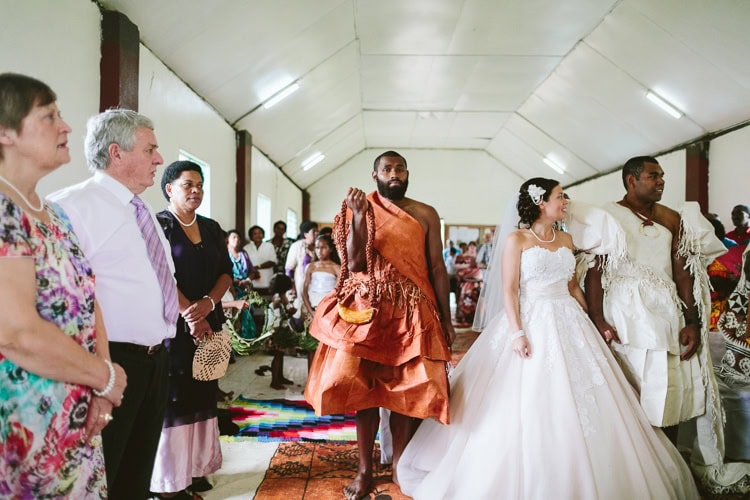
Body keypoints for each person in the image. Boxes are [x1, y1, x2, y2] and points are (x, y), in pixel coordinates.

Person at [397, 177, 699, 499]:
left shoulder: (567, 240)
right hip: (530, 318)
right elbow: (510, 290)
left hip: (568, 318)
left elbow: (572, 287)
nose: (566, 202)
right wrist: (517, 333)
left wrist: (594, 320)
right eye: (560, 196)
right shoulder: (517, 240)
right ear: (541, 202)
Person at [584, 156, 750, 494]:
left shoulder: (672, 218)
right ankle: (629, 467)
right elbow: (594, 272)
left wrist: (692, 319)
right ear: (631, 181)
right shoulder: (607, 216)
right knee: (629, 391)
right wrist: (598, 319)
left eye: (662, 176)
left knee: (669, 390)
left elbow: (683, 271)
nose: (661, 181)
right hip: (624, 314)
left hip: (665, 312)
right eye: (652, 176)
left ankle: (666, 466)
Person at [0, 73, 127, 497]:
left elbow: (89, 301)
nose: (66, 126)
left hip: (77, 416)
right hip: (22, 426)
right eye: (48, 116)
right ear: (5, 133)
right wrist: (105, 378)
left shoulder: (54, 214)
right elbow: (15, 333)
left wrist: (102, 388)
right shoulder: (3, 213)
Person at [305, 150, 454, 499]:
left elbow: (437, 267)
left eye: (400, 169)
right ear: (375, 176)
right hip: (368, 311)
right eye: (387, 169)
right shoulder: (359, 207)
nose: (395, 174)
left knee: (405, 392)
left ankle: (401, 465)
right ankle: (364, 470)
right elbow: (356, 262)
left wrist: (445, 318)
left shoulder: (426, 214)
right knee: (366, 393)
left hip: (411, 310)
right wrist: (358, 216)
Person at [50, 108, 177, 499]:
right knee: (104, 470)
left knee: (136, 478)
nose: (159, 159)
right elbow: (58, 298)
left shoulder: (143, 212)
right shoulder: (72, 207)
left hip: (155, 361)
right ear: (117, 152)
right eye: (150, 149)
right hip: (110, 362)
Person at [147, 160, 232, 497]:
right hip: (174, 326)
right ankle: (169, 481)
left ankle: (196, 468)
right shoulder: (160, 226)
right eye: (188, 185)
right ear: (169, 188)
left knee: (204, 394)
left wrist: (209, 305)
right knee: (175, 398)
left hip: (210, 322)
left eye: (200, 184)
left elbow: (225, 272)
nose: (196, 190)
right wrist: (190, 314)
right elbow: (159, 274)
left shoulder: (211, 228)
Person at [227, 228, 258, 340]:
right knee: (236, 316)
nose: (237, 240)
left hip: (245, 288)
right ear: (228, 240)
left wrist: (248, 280)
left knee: (247, 314)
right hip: (232, 289)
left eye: (239, 238)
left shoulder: (243, 254)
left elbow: (252, 271)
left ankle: (247, 341)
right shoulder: (225, 254)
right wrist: (236, 281)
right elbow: (224, 273)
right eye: (234, 237)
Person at [301, 233, 340, 316]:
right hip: (311, 302)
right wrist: (311, 311)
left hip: (328, 302)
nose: (319, 251)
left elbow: (338, 292)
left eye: (323, 248)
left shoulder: (336, 268)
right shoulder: (310, 266)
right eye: (317, 248)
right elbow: (304, 290)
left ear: (331, 249)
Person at [285, 220, 319, 312]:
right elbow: (289, 268)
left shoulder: (318, 245)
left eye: (317, 231)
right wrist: (291, 287)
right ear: (305, 234)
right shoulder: (297, 246)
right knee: (301, 306)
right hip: (300, 282)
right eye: (314, 231)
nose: (317, 233)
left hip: (316, 283)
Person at [244, 225, 276, 294]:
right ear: (251, 237)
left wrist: (256, 267)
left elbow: (272, 262)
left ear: (263, 235)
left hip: (267, 281)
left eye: (260, 233)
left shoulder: (269, 246)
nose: (258, 235)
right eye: (255, 234)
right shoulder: (246, 248)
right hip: (252, 282)